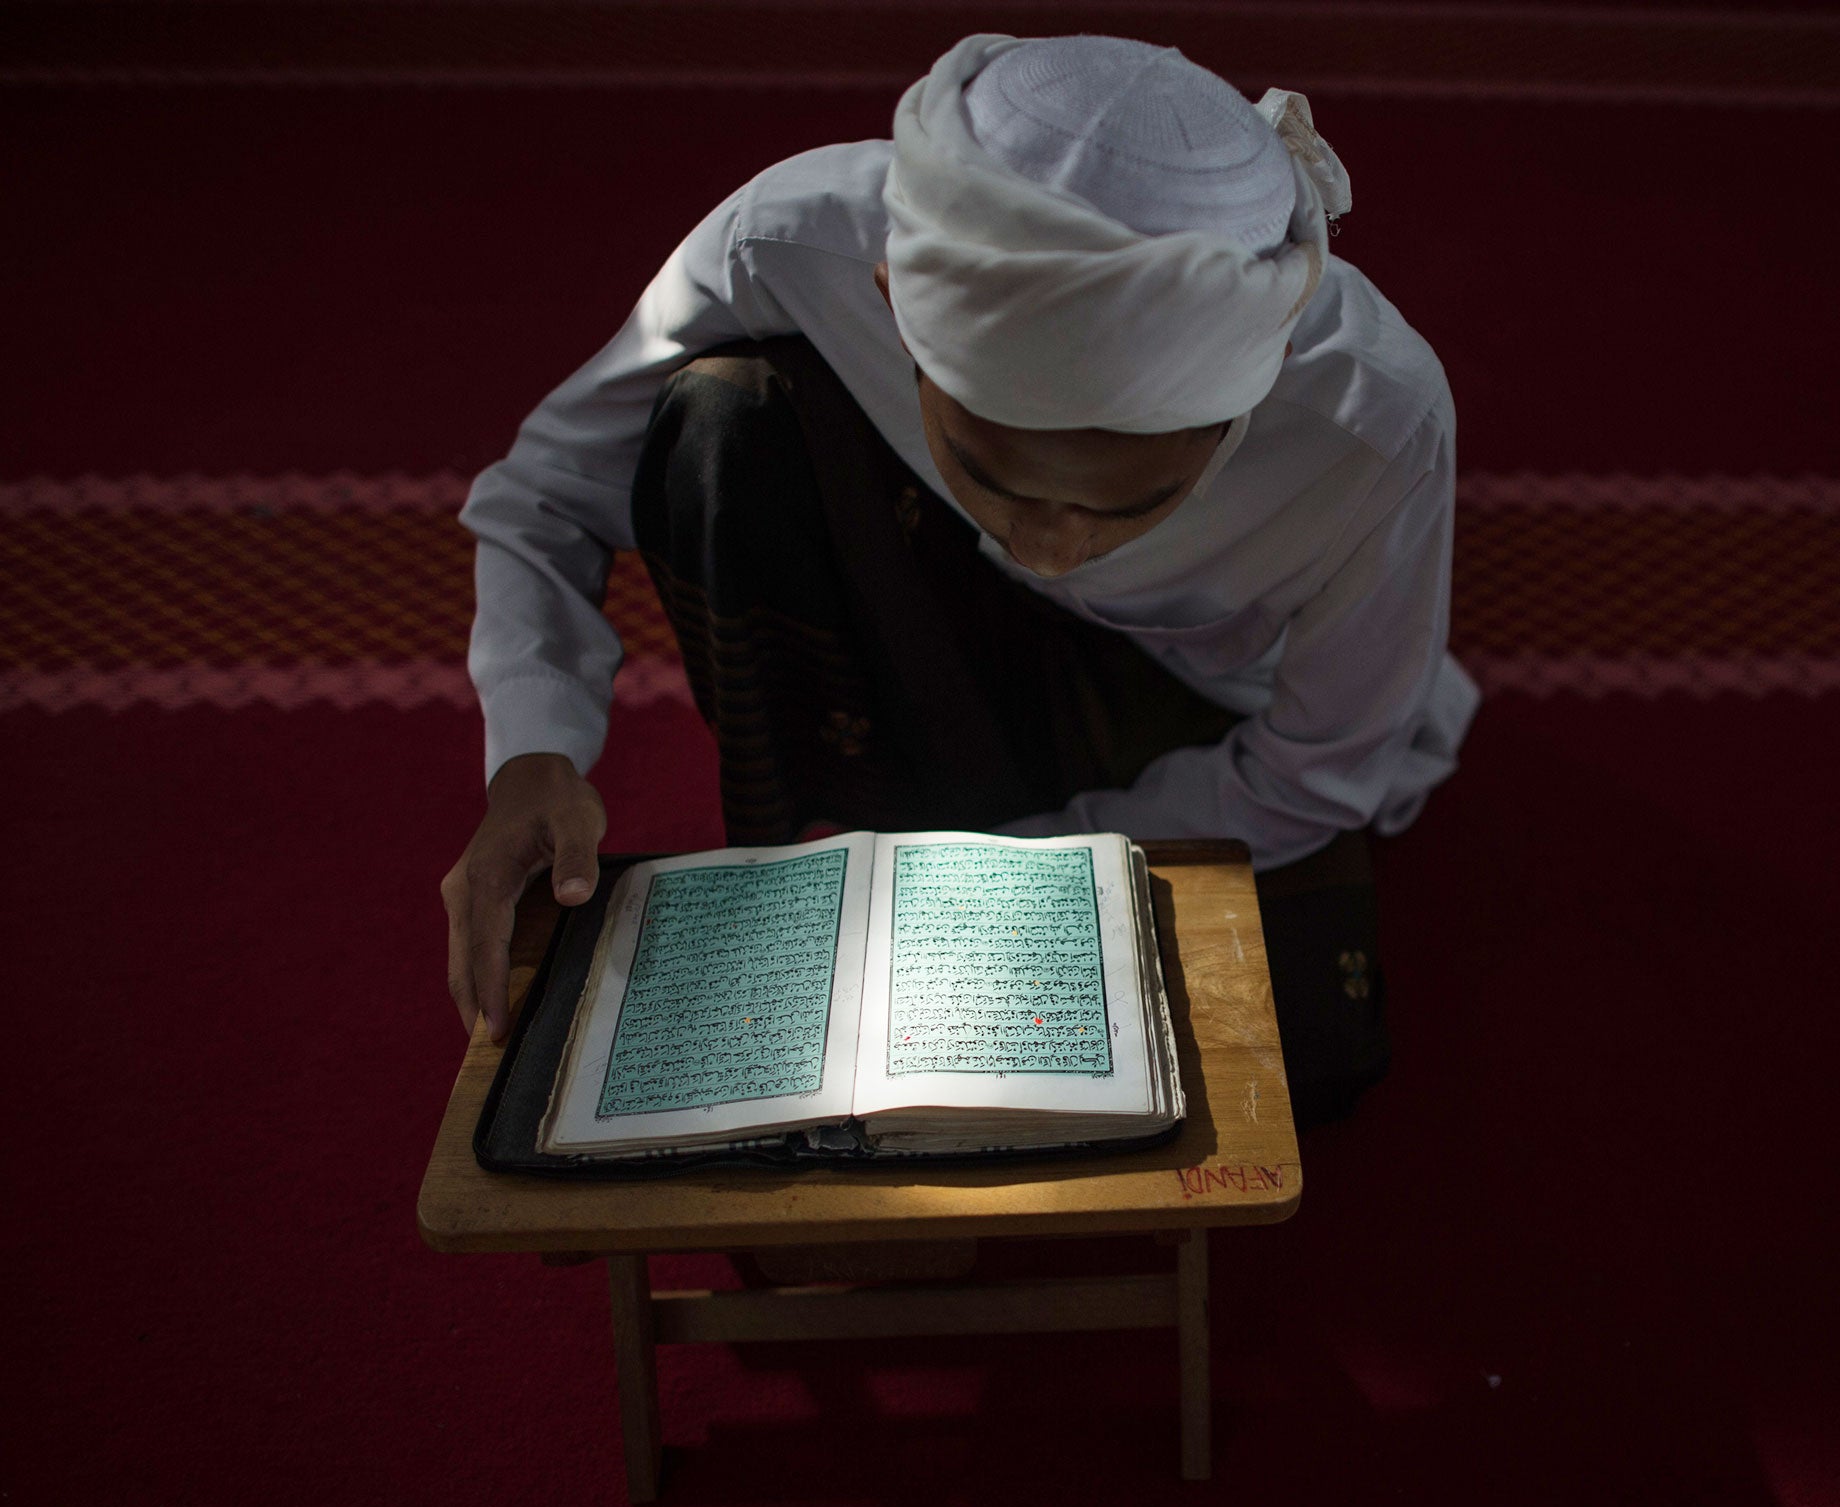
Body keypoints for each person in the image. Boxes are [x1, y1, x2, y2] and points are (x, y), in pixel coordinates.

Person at [441, 33, 1478, 1125]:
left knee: (1290, 1067)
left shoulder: (1373, 418)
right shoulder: (795, 239)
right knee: (720, 425)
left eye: (1124, 506)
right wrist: (533, 751)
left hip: (1193, 694)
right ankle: (814, 851)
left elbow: (1321, 767)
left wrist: (997, 876)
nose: (1047, 549)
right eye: (996, 475)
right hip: (910, 588)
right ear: (895, 304)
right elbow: (547, 489)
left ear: (1240, 407)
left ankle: (871, 887)